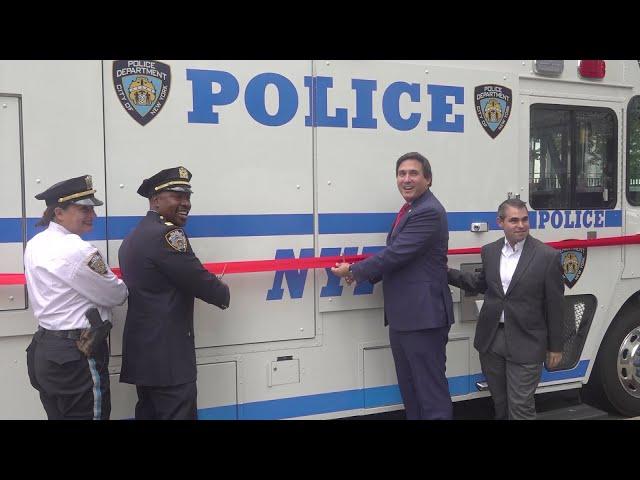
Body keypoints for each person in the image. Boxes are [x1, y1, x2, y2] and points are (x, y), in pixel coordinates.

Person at [332, 152, 454, 420]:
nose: (406, 179)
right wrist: (361, 272)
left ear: (428, 179)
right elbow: (401, 258)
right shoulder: (411, 210)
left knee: (431, 396)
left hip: (424, 318)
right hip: (406, 318)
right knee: (412, 393)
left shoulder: (429, 212)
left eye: (413, 173)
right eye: (401, 174)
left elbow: (397, 253)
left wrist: (354, 271)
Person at [118, 166, 230, 420]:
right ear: (156, 200)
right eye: (178, 196)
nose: (186, 203)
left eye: (188, 197)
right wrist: (222, 292)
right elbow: (197, 279)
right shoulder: (168, 234)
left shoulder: (134, 236)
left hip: (145, 353)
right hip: (168, 357)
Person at [447, 198, 564, 420]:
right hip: (492, 340)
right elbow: (480, 284)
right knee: (500, 404)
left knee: (521, 407)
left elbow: (556, 306)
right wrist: (446, 272)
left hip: (527, 342)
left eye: (524, 220)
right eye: (513, 220)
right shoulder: (490, 252)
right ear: (500, 222)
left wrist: (555, 347)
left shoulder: (547, 256)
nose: (521, 225)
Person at [25, 175, 128, 420]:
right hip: (76, 356)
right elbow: (116, 294)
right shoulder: (77, 250)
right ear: (58, 213)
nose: (92, 215)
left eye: (92, 209)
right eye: (84, 209)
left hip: (46, 350)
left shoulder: (36, 243)